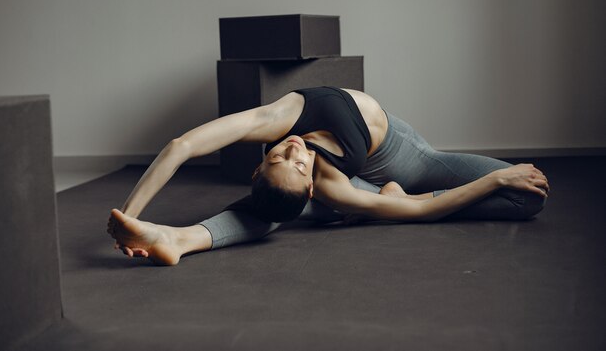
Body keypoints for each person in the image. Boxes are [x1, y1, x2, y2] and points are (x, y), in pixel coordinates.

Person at [107, 86, 549, 265]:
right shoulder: (330, 188)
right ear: (313, 183)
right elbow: (421, 213)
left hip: (415, 160)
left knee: (528, 195)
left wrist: (125, 218)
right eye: (297, 166)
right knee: (278, 205)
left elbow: (181, 146)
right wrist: (491, 183)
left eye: (279, 157)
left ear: (260, 162)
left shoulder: (279, 116)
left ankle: (177, 237)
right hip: (351, 192)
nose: (294, 150)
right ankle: (178, 239)